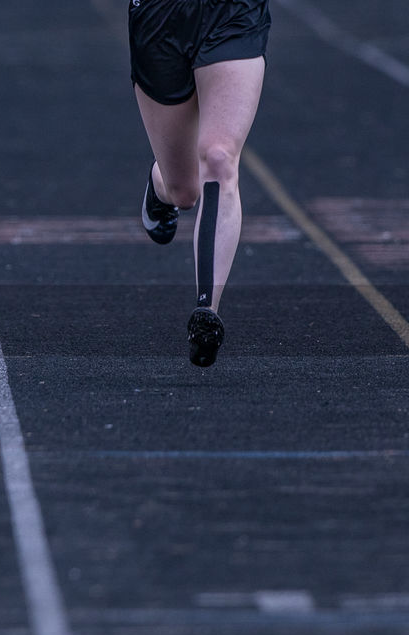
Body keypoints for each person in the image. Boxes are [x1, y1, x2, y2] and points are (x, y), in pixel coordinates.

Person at [131, 0, 270, 366]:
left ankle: (207, 312)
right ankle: (161, 183)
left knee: (220, 157)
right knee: (184, 190)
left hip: (233, 14)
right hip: (160, 19)